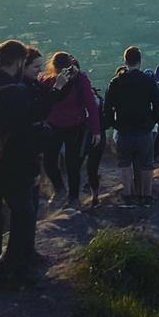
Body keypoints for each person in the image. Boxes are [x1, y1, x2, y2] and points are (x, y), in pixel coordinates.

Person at [0, 40, 65, 290]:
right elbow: (27, 123)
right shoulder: (14, 91)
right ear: (20, 61)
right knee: (23, 214)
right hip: (12, 165)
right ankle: (17, 269)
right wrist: (56, 92)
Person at [39, 52, 101, 210]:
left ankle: (73, 198)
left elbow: (90, 105)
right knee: (49, 161)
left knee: (72, 164)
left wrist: (95, 130)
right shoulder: (48, 80)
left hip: (75, 127)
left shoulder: (80, 80)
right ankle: (60, 189)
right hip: (54, 126)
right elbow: (43, 102)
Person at [103, 47, 159, 207]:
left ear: (125, 61)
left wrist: (113, 124)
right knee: (146, 165)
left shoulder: (115, 82)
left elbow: (107, 107)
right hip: (144, 130)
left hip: (123, 129)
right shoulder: (148, 81)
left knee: (125, 164)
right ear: (140, 61)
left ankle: (128, 196)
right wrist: (152, 122)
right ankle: (146, 197)